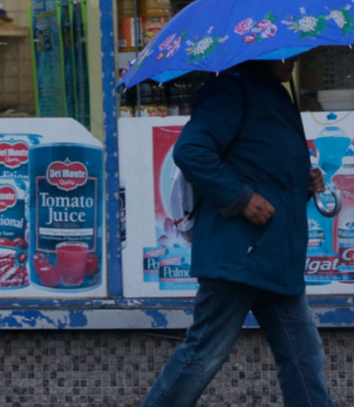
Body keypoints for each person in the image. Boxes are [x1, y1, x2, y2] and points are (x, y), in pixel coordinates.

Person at [140, 58, 334, 407]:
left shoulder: (272, 94)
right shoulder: (229, 90)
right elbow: (192, 151)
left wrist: (305, 181)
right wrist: (240, 198)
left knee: (304, 357)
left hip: (273, 255)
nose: (294, 60)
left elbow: (262, 167)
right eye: (285, 54)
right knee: (203, 355)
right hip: (238, 254)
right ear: (260, 54)